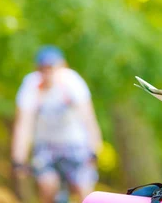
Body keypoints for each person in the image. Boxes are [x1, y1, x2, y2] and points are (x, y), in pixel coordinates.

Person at [11, 45, 102, 203]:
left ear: (62, 66)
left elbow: (88, 118)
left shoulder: (73, 82)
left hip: (75, 143)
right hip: (46, 145)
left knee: (84, 191)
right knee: (47, 186)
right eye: (43, 69)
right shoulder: (31, 86)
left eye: (51, 68)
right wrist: (18, 159)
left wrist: (94, 149)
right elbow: (23, 125)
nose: (48, 73)